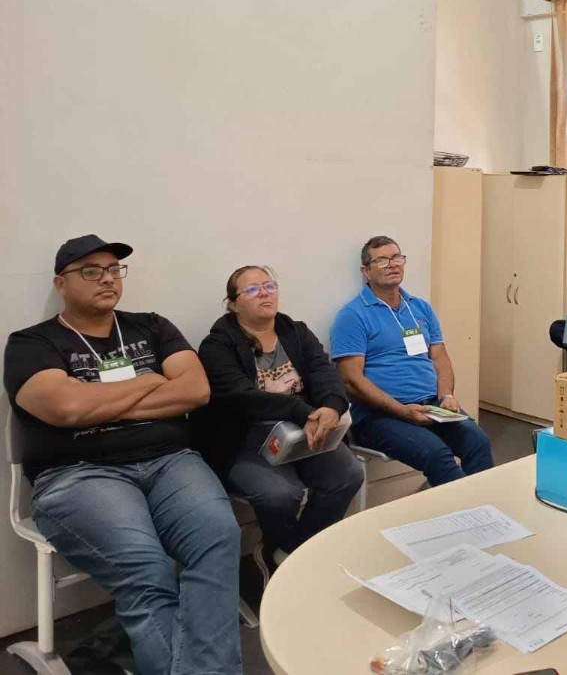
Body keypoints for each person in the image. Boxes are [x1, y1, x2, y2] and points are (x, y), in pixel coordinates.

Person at [3, 235, 242, 675]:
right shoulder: (32, 342)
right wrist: (150, 380)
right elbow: (65, 408)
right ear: (61, 283)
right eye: (91, 271)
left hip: (171, 461)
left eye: (114, 269)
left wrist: (94, 398)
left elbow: (195, 390)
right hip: (78, 474)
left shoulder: (152, 326)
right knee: (148, 569)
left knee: (218, 538)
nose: (107, 279)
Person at [194, 265, 363, 580]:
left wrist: (331, 406)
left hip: (301, 431)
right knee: (281, 494)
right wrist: (303, 411)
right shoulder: (217, 345)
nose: (264, 293)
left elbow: (324, 372)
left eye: (269, 286)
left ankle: (293, 549)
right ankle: (282, 548)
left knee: (348, 474)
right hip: (245, 440)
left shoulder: (295, 331)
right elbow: (240, 397)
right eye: (252, 289)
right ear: (233, 304)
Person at [330, 236, 493, 486]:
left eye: (397, 257)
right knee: (437, 454)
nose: (392, 264)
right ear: (366, 271)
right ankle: (467, 506)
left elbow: (439, 357)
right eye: (382, 261)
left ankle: (481, 505)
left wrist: (446, 395)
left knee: (478, 442)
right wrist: (402, 411)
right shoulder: (352, 315)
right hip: (378, 415)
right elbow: (351, 381)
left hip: (431, 405)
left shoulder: (420, 308)